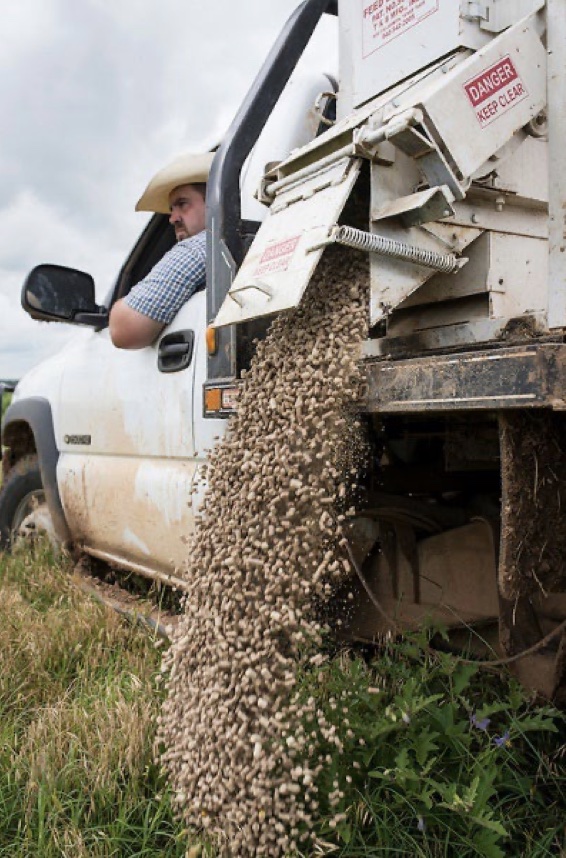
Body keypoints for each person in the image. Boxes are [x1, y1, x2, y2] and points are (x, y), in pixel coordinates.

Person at [109, 152, 214, 349]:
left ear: (213, 201)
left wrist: (118, 305)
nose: (172, 218)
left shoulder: (198, 247)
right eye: (171, 209)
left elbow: (124, 330)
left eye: (182, 204)